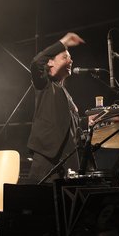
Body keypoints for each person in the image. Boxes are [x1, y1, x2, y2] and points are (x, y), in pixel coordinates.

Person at [26, 32, 85, 183]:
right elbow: (36, 62)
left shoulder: (65, 93)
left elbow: (69, 124)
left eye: (70, 58)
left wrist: (89, 121)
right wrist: (63, 42)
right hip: (48, 155)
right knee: (41, 200)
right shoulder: (44, 83)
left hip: (67, 156)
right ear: (50, 63)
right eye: (65, 57)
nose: (70, 61)